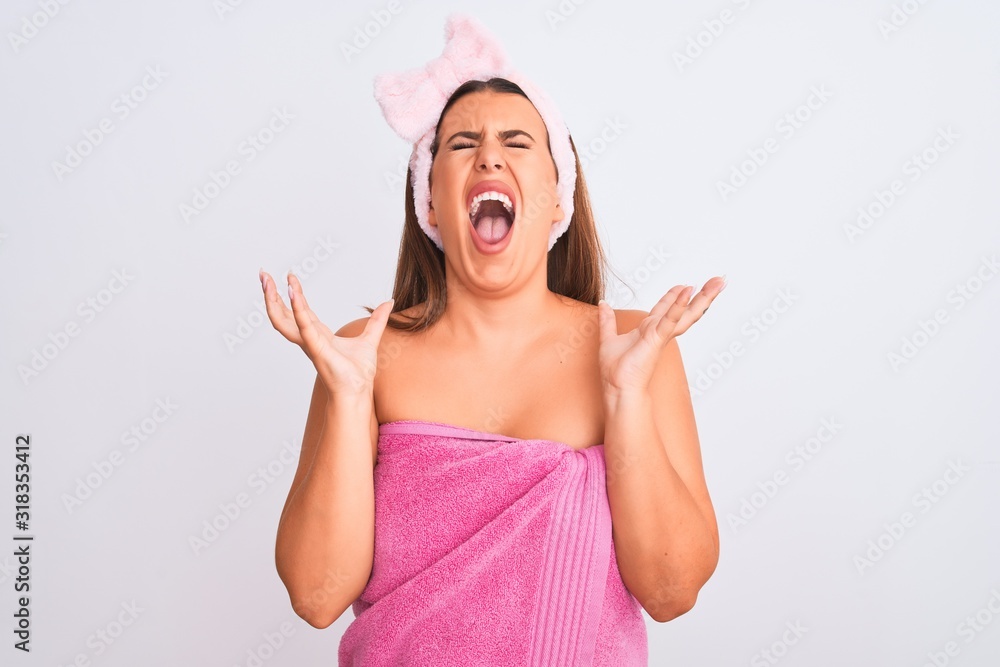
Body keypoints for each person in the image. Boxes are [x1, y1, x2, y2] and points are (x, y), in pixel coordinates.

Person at [261, 13, 723, 665]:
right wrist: (348, 398)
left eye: (517, 141)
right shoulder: (363, 355)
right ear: (428, 201)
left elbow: (673, 588)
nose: (489, 154)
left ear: (557, 197)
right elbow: (315, 594)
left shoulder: (634, 349)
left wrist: (626, 399)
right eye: (461, 144)